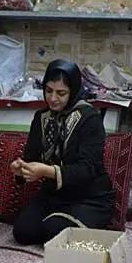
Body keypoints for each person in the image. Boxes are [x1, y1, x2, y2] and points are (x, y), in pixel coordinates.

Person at [11, 59, 116, 246]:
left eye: (61, 93)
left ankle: (71, 221)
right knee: (23, 233)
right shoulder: (41, 118)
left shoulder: (89, 118)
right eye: (48, 90)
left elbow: (88, 168)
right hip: (54, 195)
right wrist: (21, 169)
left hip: (89, 198)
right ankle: (56, 219)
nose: (53, 98)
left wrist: (46, 171)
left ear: (73, 91)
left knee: (53, 231)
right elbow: (31, 158)